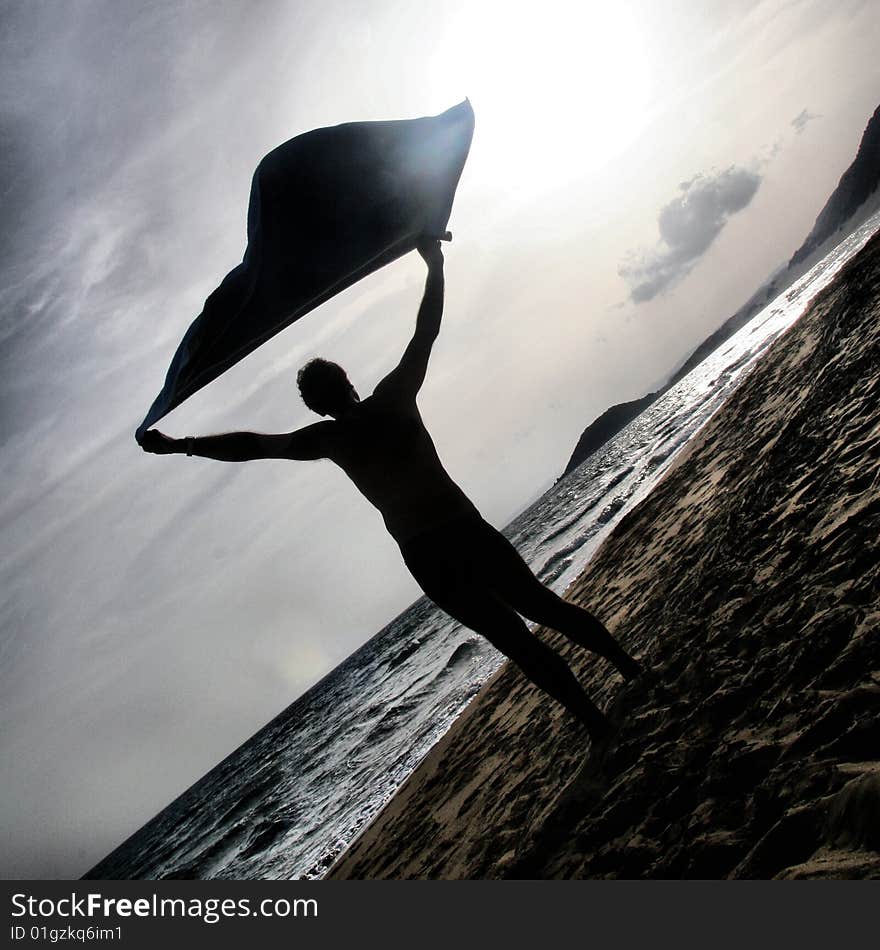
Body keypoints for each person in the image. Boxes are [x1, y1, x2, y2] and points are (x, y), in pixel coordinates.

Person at [140, 239, 641, 739]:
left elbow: (250, 445)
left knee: (517, 642)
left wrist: (181, 445)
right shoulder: (393, 400)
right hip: (462, 531)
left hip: (427, 551)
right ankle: (630, 670)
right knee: (541, 608)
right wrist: (434, 263)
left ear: (316, 406)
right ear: (348, 382)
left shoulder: (328, 438)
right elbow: (426, 330)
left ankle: (598, 725)